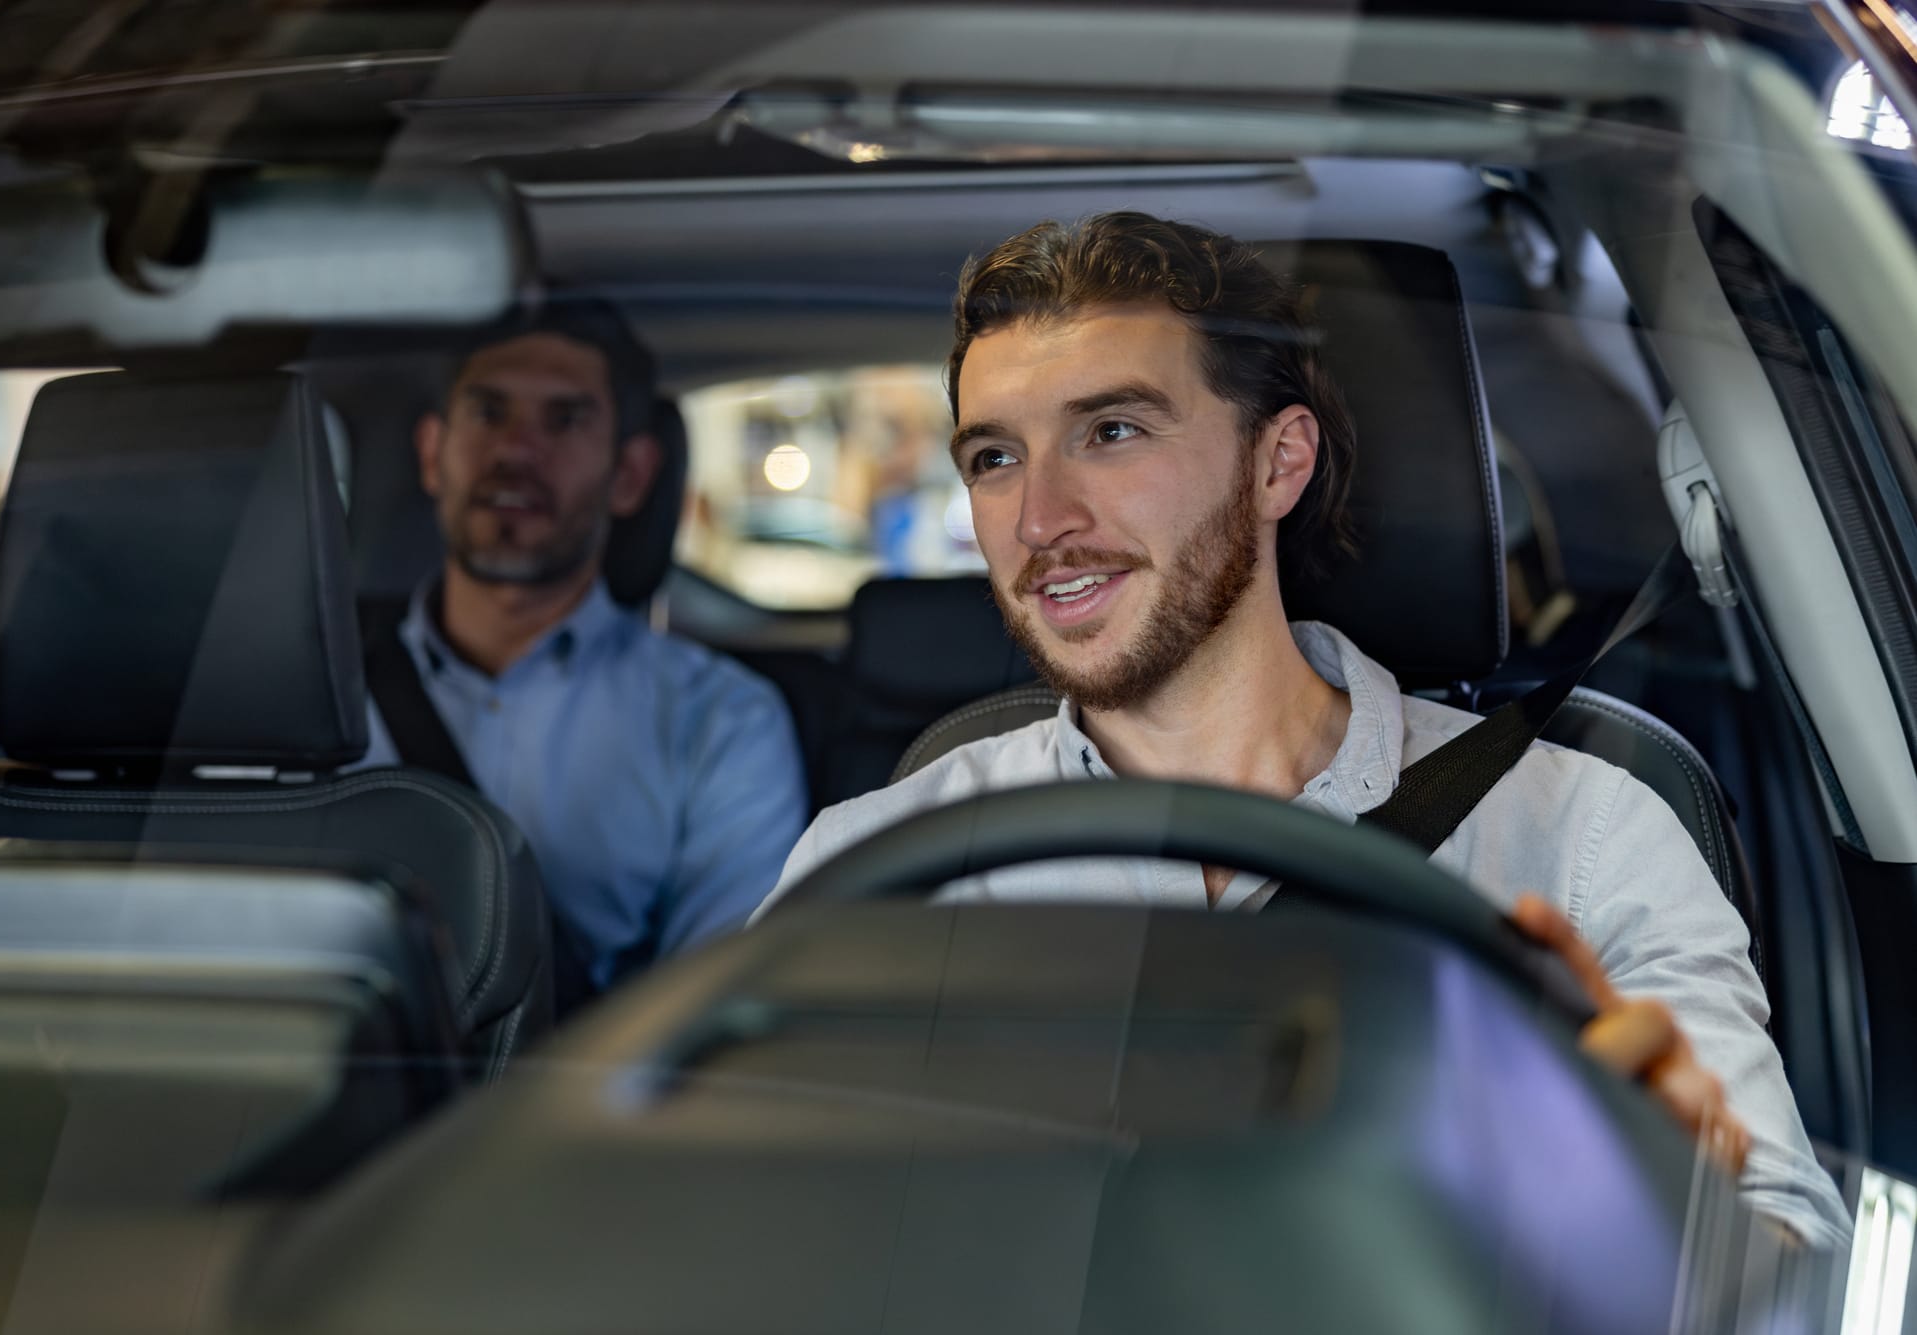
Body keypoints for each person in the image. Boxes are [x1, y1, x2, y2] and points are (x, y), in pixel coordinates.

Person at [765, 213, 1851, 1247]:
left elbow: (1781, 1252)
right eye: (993, 458)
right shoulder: (877, 866)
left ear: (1278, 462)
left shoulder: (1581, 836)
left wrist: (1647, 1195)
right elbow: (737, 1232)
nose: (1038, 520)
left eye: (1111, 431)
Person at [356, 295, 807, 995]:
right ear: (431, 454)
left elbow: (707, 1016)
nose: (514, 450)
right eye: (487, 411)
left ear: (629, 475)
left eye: (564, 419)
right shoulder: (310, 704)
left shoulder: (719, 724)